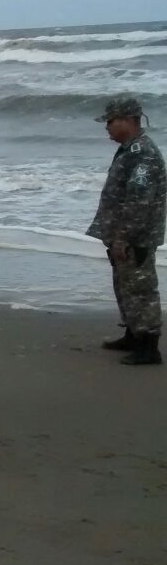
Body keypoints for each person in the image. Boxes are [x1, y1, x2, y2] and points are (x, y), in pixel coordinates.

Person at [87, 98, 165, 366]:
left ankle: (149, 346)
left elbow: (139, 201)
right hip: (124, 234)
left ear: (129, 120)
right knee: (125, 286)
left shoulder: (143, 154)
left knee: (141, 289)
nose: (107, 127)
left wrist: (124, 236)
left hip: (136, 237)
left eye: (111, 121)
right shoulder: (129, 150)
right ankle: (133, 335)